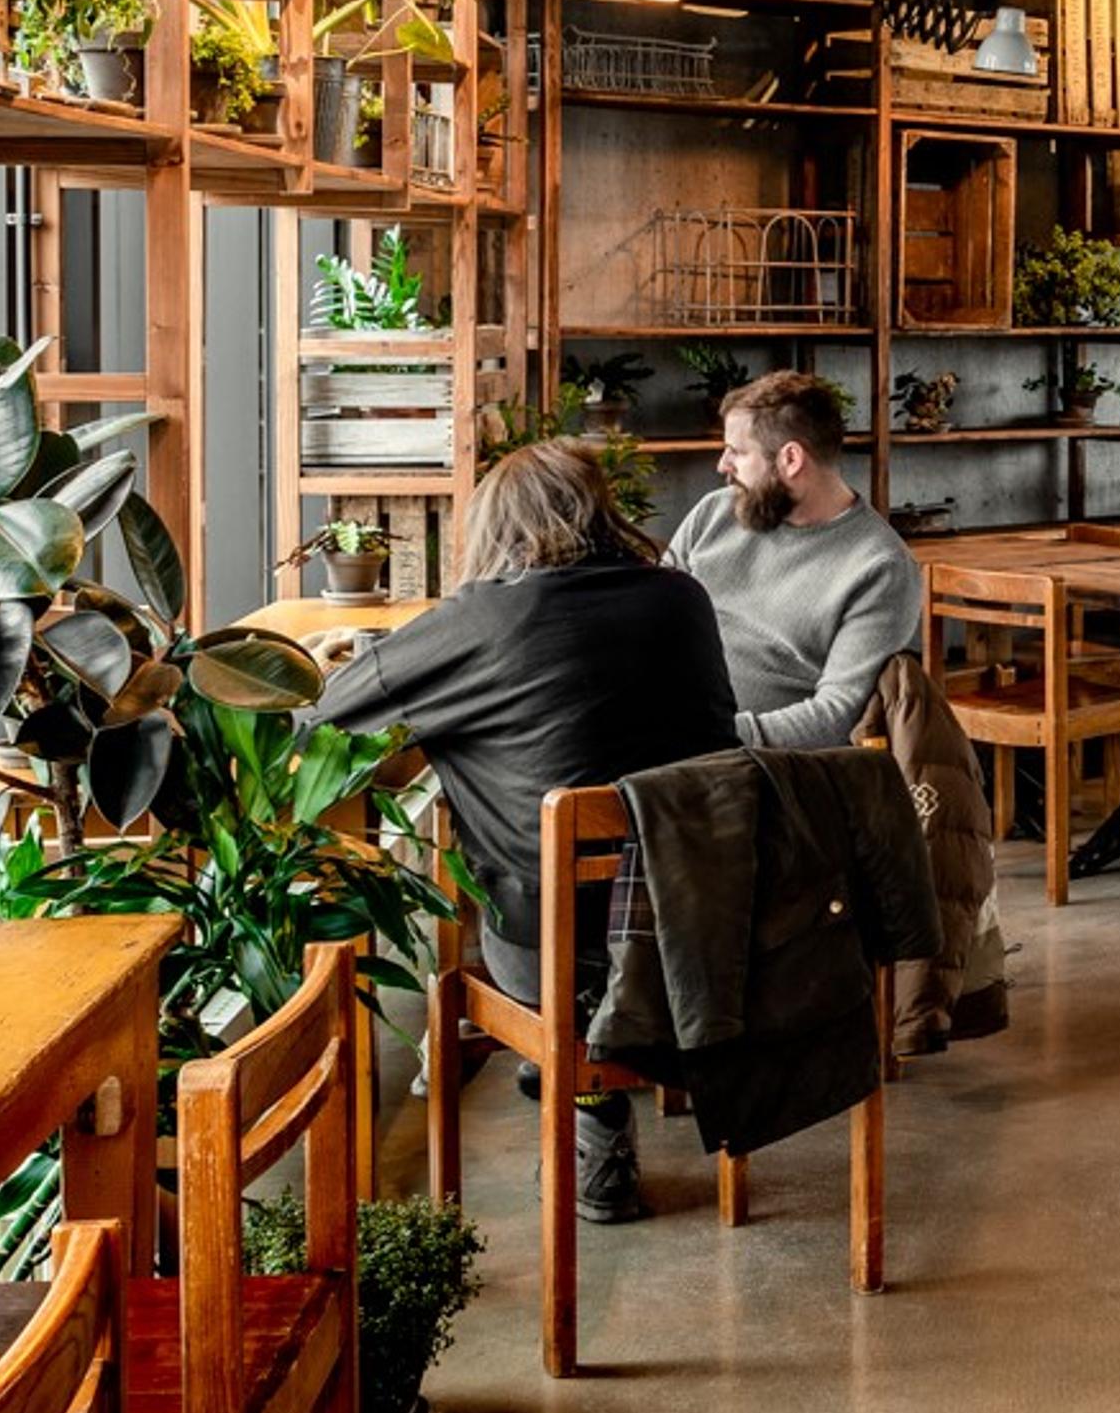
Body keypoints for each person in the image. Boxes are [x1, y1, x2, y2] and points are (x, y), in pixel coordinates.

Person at [314, 439, 738, 1222]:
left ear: (497, 529)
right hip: (706, 928)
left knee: (522, 891)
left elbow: (330, 714)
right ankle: (583, 1083)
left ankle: (587, 1099)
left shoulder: (485, 616)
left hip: (557, 957)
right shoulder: (684, 598)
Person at [668, 370, 1004, 1051]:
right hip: (669, 735)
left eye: (736, 452)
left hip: (768, 775)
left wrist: (711, 737)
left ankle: (618, 1041)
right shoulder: (712, 516)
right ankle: (575, 1013)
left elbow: (833, 715)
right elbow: (653, 614)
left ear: (790, 460)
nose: (721, 465)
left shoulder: (877, 565)